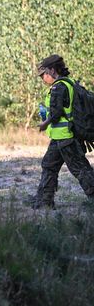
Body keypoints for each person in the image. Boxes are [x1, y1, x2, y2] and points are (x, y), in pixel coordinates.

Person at [30, 54, 94, 209]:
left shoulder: (59, 87)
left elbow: (57, 113)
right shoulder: (69, 83)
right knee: (49, 165)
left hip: (66, 137)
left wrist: (44, 124)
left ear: (52, 70)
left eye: (44, 74)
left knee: (80, 169)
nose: (43, 78)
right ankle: (44, 202)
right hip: (61, 137)